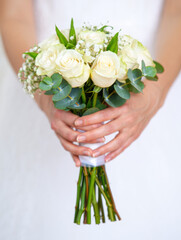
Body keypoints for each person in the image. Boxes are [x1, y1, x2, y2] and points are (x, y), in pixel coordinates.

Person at [0, 0, 181, 239]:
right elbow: (13, 14)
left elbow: (176, 13)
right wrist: (44, 98)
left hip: (146, 85)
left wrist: (155, 94)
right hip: (47, 79)